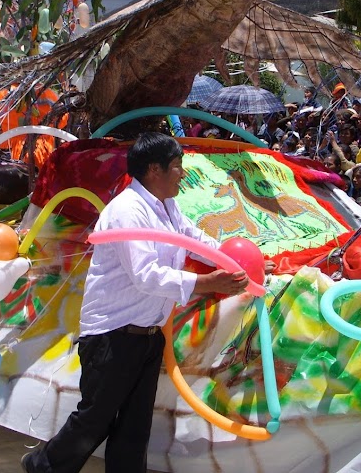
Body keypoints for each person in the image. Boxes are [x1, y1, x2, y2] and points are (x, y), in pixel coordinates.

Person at [20, 133, 249, 473]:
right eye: (177, 167)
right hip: (113, 335)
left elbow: (193, 238)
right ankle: (43, 465)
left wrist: (236, 262)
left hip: (147, 334)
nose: (182, 174)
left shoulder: (167, 206)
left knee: (134, 426)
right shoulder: (127, 211)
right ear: (154, 170)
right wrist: (206, 283)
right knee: (95, 419)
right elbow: (146, 275)